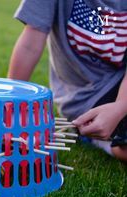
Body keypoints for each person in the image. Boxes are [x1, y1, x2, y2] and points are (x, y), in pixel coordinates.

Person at [7, 0, 127, 161]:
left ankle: (107, 137)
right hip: (88, 97)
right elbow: (30, 45)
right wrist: (10, 104)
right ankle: (101, 140)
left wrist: (120, 107)